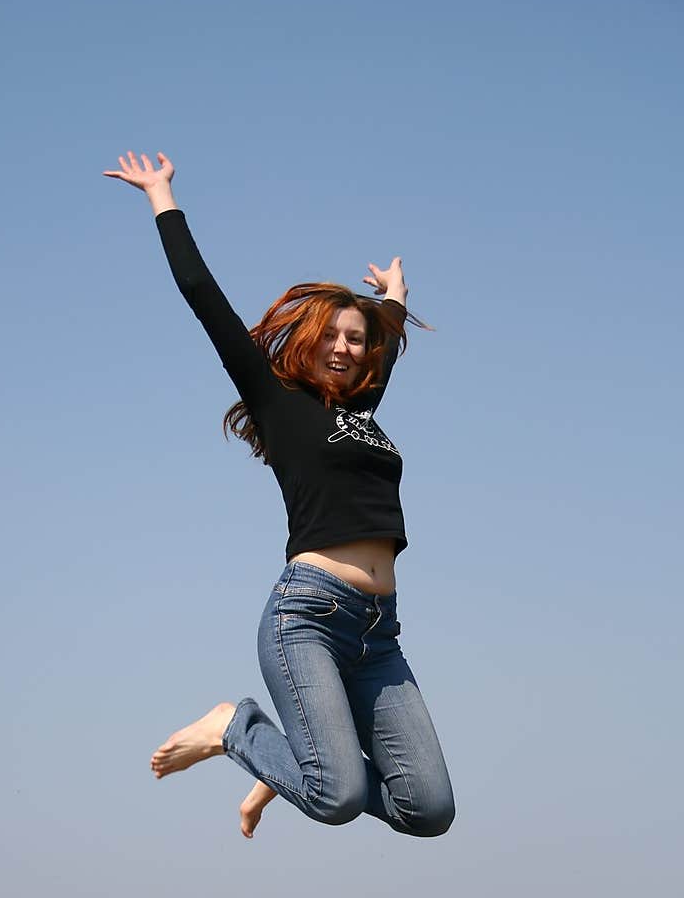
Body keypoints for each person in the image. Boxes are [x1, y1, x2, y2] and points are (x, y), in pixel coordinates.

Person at [104, 150, 455, 842]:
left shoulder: (362, 413)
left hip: (379, 633)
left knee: (429, 810)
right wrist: (161, 197)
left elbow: (382, 342)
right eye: (333, 335)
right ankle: (234, 728)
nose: (347, 348)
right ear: (309, 339)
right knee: (339, 799)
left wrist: (395, 299)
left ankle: (298, 760)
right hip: (309, 617)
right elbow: (203, 295)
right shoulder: (277, 401)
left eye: (357, 341)